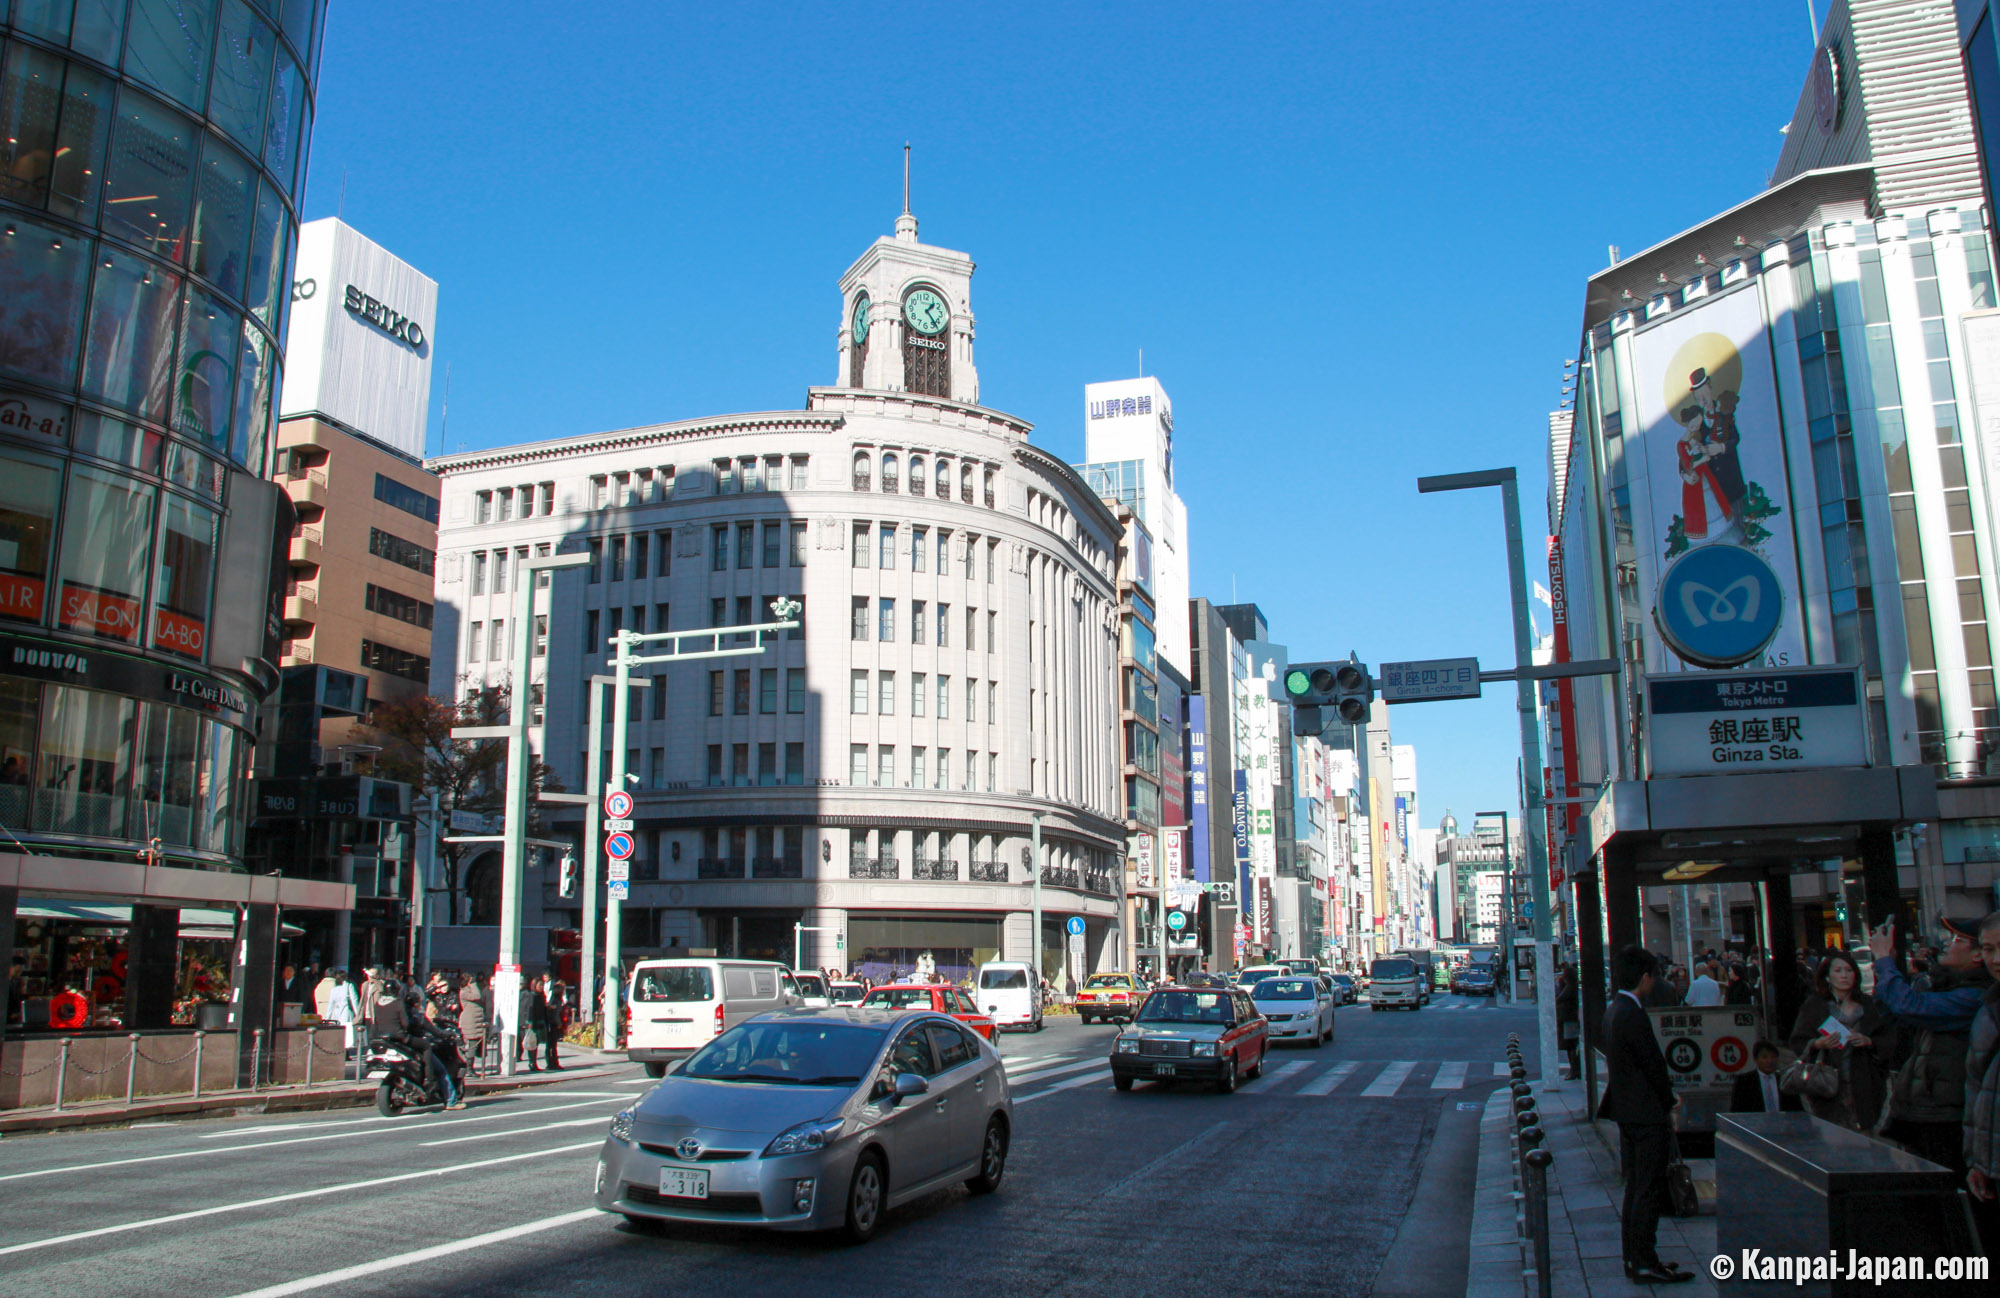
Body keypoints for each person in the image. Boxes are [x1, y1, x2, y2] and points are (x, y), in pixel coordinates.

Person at [1597, 944, 1693, 1285]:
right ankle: (1644, 1260)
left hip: (1627, 1111)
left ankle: (1636, 1258)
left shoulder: (1615, 1010)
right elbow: (1652, 1064)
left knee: (1636, 1188)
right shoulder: (1633, 1013)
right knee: (1647, 1190)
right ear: (1644, 977)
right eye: (1653, 975)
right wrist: (1670, 1099)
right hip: (1645, 1112)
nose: (1655, 982)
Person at [1865, 916, 1991, 1174]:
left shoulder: (1975, 995)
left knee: (1946, 1195)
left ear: (1980, 954)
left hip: (1946, 1115)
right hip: (1928, 1109)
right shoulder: (1950, 985)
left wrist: (1883, 961)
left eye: (1957, 939)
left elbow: (1909, 1006)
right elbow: (1894, 1012)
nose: (1946, 943)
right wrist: (1885, 966)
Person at [1786, 948, 1899, 1132]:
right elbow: (1798, 1040)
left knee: (1865, 1135)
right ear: (1828, 977)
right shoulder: (1815, 1006)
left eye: (1848, 971)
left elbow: (1888, 1039)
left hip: (1864, 1081)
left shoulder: (1869, 1005)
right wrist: (1817, 1043)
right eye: (1838, 971)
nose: (1844, 976)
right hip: (1827, 1080)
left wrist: (1868, 1041)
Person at [1964, 910, 2000, 1266]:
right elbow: (1975, 1088)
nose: (1996, 958)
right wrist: (1977, 1159)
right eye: (1988, 949)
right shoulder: (1987, 1008)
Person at [1729, 1040, 1803, 1114]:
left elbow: (1797, 1110)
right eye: (1764, 1057)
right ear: (1756, 1059)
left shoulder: (1786, 1080)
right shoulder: (1744, 1082)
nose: (1769, 1061)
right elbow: (1737, 1111)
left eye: (1773, 1057)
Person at [320, 968, 360, 1053]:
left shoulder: (334, 989)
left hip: (336, 1012)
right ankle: (346, 1052)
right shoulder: (349, 986)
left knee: (339, 1032)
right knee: (347, 1033)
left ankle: (340, 1050)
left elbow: (331, 1004)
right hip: (346, 1011)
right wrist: (358, 1015)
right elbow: (354, 1000)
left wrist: (327, 1018)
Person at [456, 975, 488, 1078]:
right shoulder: (464, 992)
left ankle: (471, 1067)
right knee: (472, 1045)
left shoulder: (471, 990)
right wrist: (473, 984)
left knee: (475, 1045)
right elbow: (477, 996)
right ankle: (469, 1069)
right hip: (470, 1022)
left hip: (477, 1021)